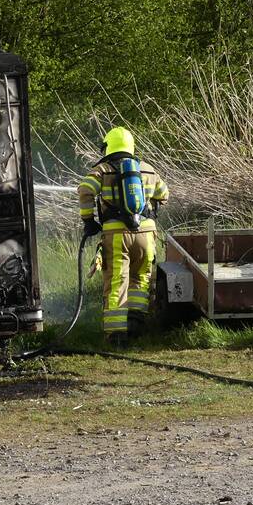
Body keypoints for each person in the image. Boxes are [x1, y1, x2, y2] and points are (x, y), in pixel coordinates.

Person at [77, 127, 169, 346]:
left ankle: (117, 336)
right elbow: (164, 194)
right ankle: (137, 326)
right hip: (146, 234)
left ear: (108, 146)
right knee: (141, 278)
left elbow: (85, 190)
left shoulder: (103, 170)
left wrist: (89, 221)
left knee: (117, 282)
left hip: (117, 235)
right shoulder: (147, 169)